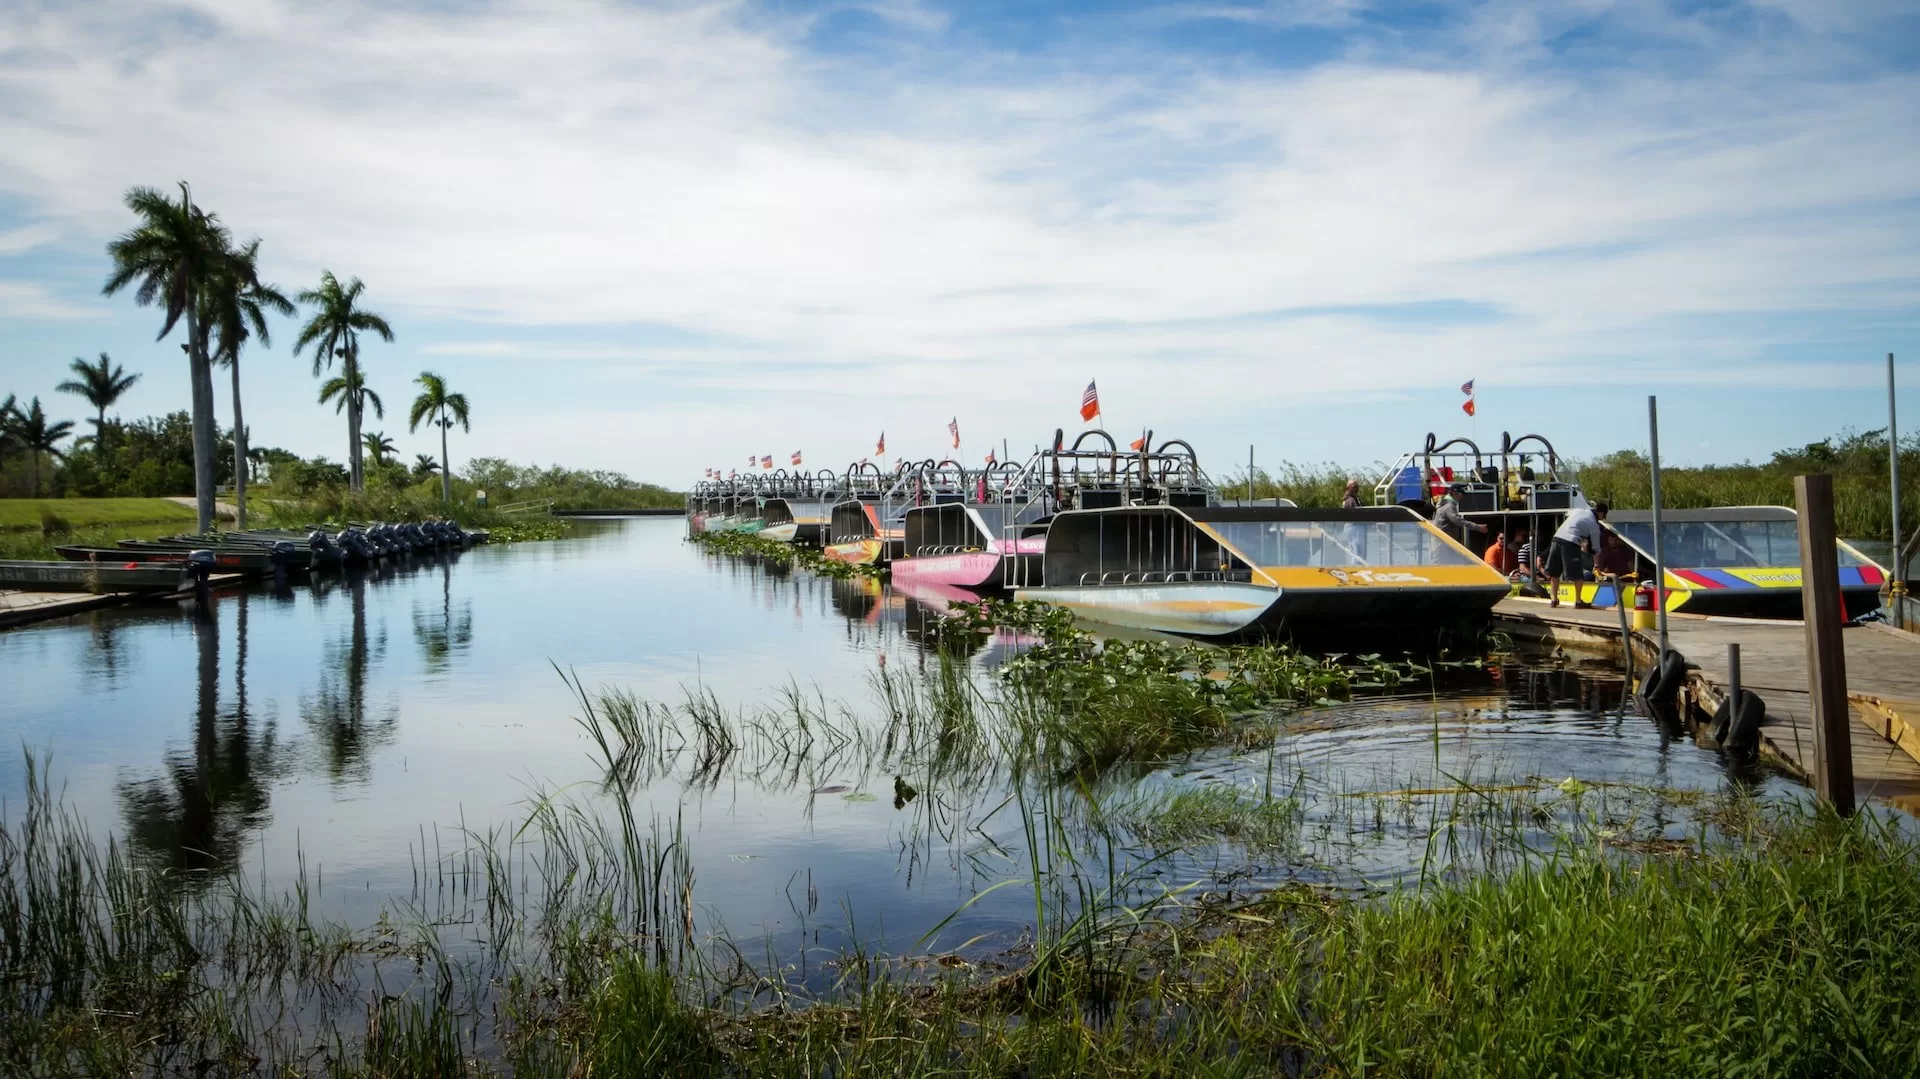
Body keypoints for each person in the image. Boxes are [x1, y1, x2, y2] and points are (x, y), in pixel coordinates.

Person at [1546, 501, 1609, 608]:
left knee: (1554, 572)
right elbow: (1596, 549)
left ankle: (1554, 599)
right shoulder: (1593, 525)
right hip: (1571, 542)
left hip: (1556, 539)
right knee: (1577, 574)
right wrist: (1597, 566)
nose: (1602, 518)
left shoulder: (1578, 511)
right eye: (1604, 516)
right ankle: (1578, 601)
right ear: (1601, 513)